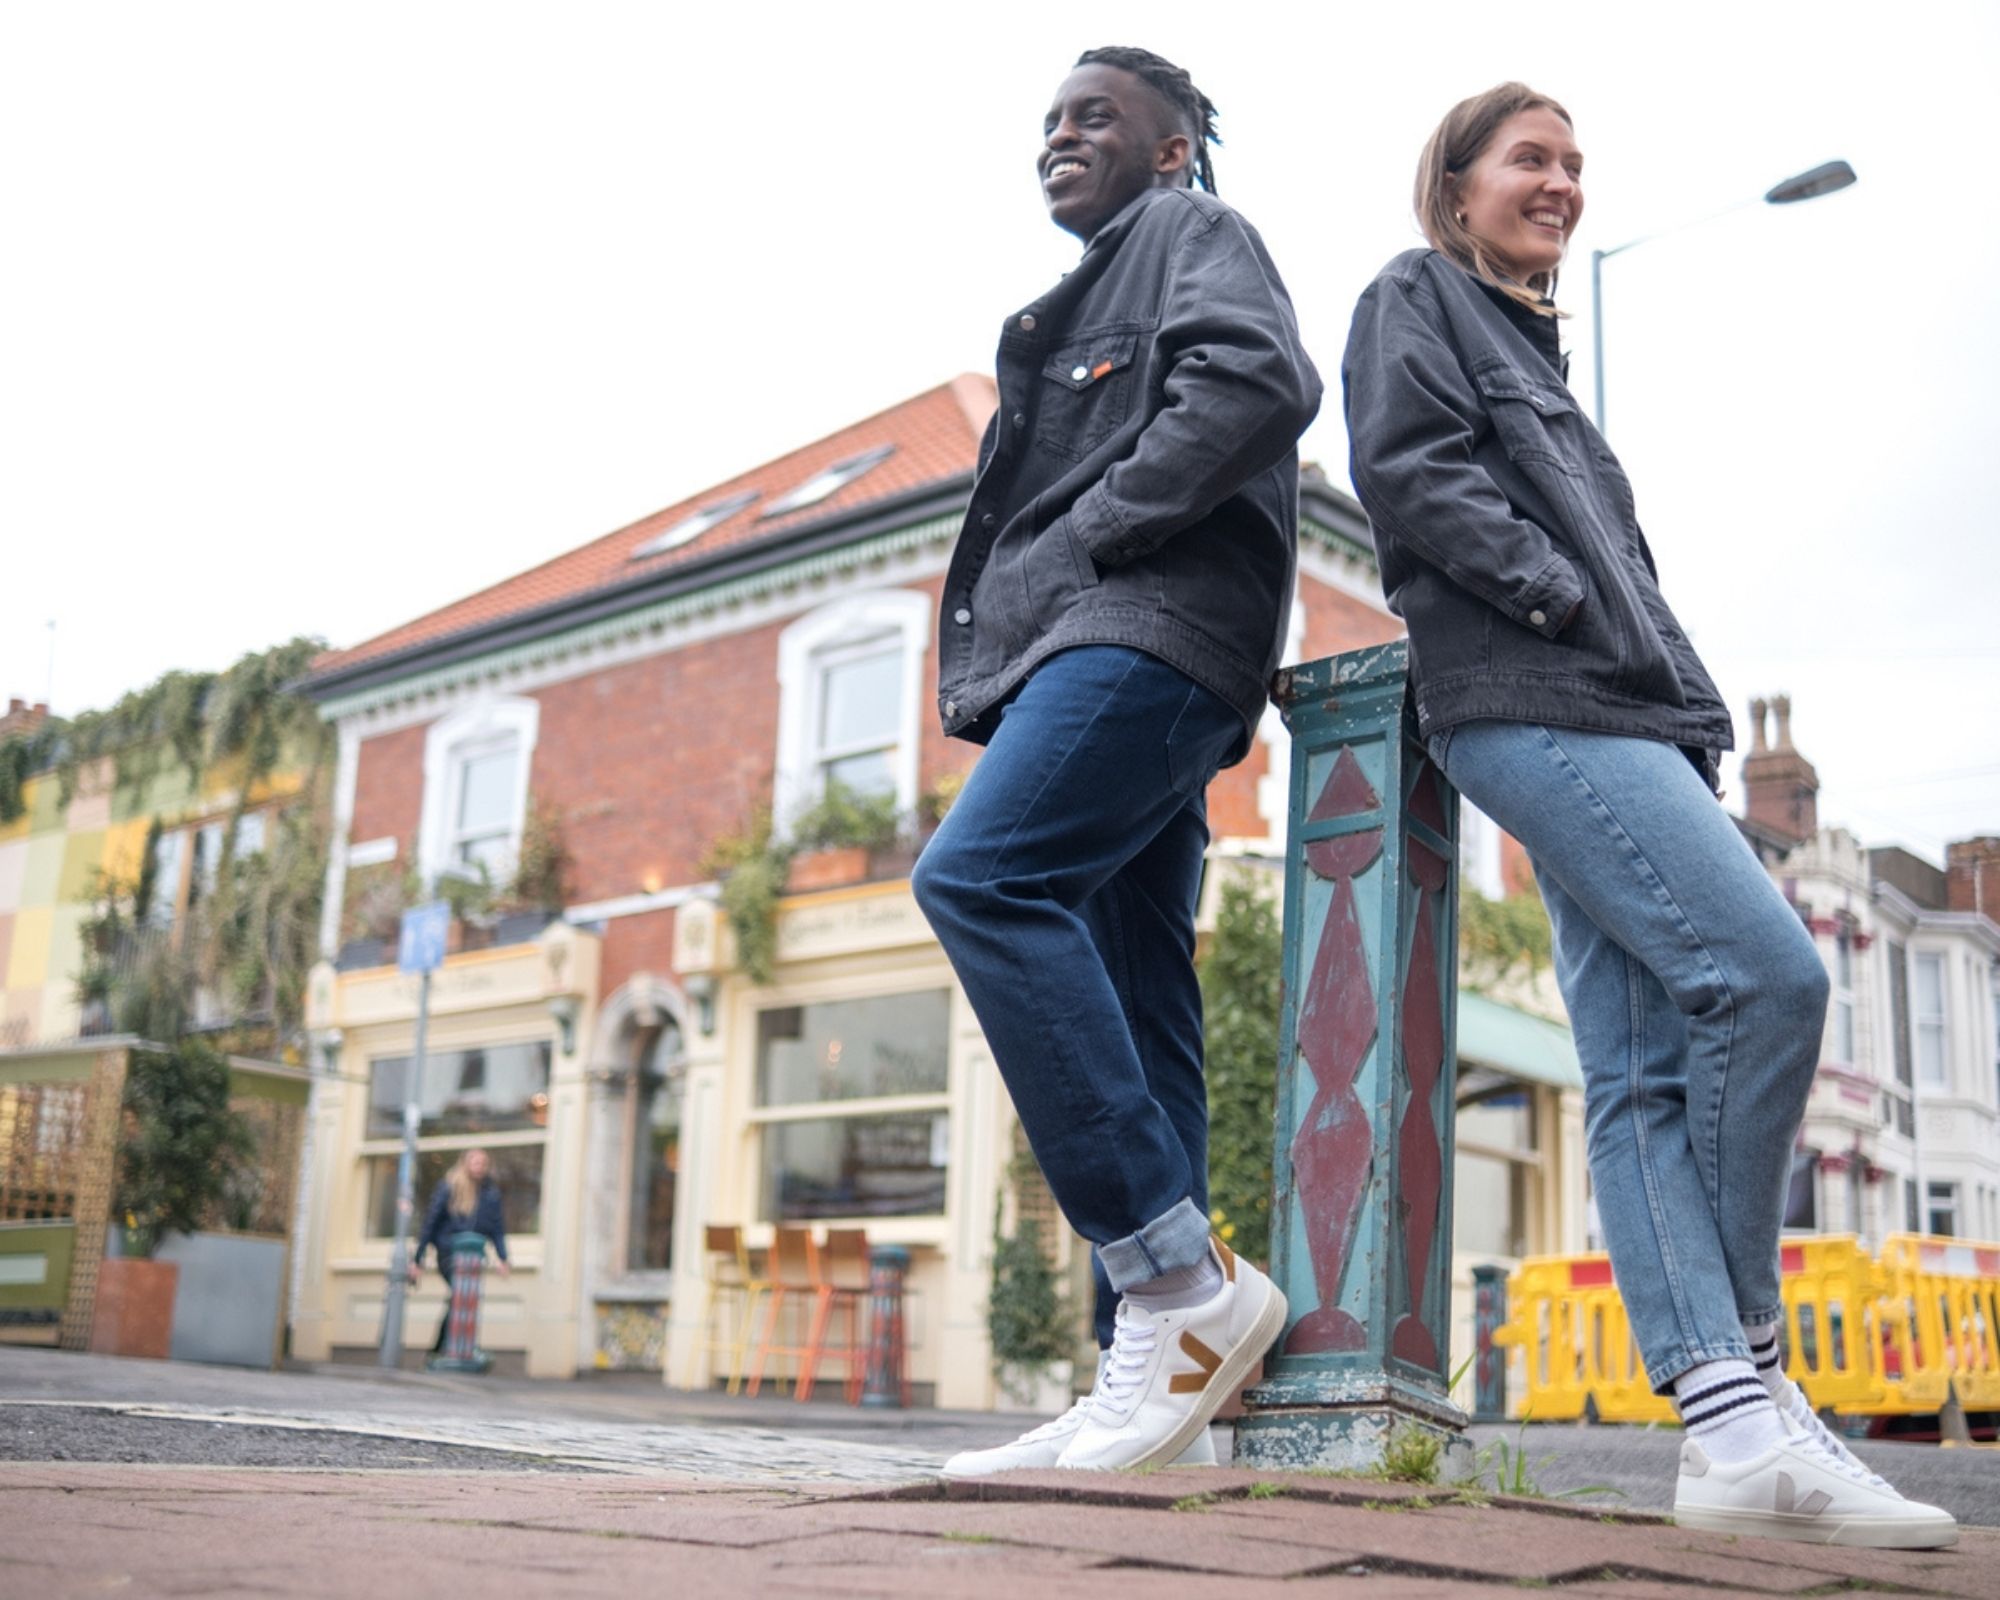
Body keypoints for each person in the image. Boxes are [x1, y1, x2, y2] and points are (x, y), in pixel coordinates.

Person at [1341, 83, 1954, 1548]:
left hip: (1621, 715)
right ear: (1456, 182)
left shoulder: (1537, 360)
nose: (1560, 182)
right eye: (1529, 158)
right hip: (1532, 696)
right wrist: (1555, 600)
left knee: (1631, 1074)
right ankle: (1745, 1352)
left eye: (1574, 163)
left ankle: (1731, 1432)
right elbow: (1408, 472)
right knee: (1766, 977)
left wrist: (1681, 713)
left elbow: (1612, 568)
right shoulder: (1413, 295)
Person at [915, 46, 1317, 1476]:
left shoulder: (1188, 230)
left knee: (981, 881)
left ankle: (1175, 1280)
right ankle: (1162, 1394)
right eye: (1047, 121)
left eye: (1094, 117)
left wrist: (1098, 529)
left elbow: (1259, 381)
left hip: (1144, 632)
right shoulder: (1101, 279)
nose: (1058, 136)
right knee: (1143, 1001)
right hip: (1119, 647)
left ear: (1171, 148)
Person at [412, 1148, 511, 1354]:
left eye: (483, 1163)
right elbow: (431, 1221)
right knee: (461, 1294)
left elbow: (497, 1228)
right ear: (465, 1164)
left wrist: (503, 1258)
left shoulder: (490, 1194)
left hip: (474, 1255)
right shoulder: (450, 1187)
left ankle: (456, 1346)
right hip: (449, 1252)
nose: (479, 1167)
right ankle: (447, 1348)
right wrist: (417, 1258)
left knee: (466, 1297)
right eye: (475, 1162)